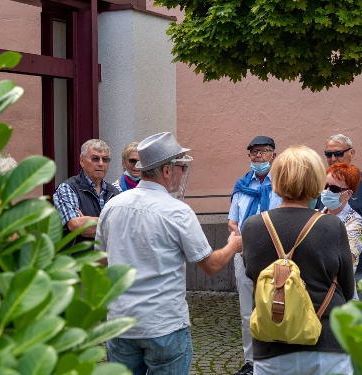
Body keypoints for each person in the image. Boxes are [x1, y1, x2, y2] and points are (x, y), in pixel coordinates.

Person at [95, 132, 242, 375]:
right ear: (166, 171)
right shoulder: (177, 211)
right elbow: (210, 266)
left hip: (121, 322)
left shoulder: (113, 206)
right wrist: (232, 246)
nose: (183, 173)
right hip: (163, 324)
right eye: (181, 168)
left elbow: (101, 260)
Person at [243, 145, 354, 375]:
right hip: (326, 344)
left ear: (277, 180)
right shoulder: (332, 226)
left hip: (272, 344)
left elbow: (252, 277)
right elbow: (347, 287)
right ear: (316, 181)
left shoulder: (252, 227)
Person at [318, 134, 362, 329]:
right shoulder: (323, 183)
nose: (333, 158)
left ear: (352, 153)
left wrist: (351, 232)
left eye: (338, 153)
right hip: (325, 272)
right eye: (328, 154)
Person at [228, 136, 282, 375]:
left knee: (275, 306)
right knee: (247, 312)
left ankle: (275, 357)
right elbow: (232, 220)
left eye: (264, 152)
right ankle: (251, 362)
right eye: (254, 153)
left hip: (275, 255)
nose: (258, 157)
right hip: (245, 254)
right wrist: (239, 235)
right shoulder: (241, 186)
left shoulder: (282, 184)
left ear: (274, 155)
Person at [53, 139, 119, 250]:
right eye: (95, 159)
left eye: (105, 159)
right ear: (82, 161)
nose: (101, 163)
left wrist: (88, 222)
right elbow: (76, 225)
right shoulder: (68, 188)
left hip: (108, 263)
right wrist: (113, 226)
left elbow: (126, 228)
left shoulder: (115, 192)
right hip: (78, 263)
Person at [321, 162, 362, 300]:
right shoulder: (315, 215)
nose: (327, 191)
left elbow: (345, 262)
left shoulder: (355, 222)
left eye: (334, 188)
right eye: (325, 186)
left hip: (341, 296)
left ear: (348, 194)